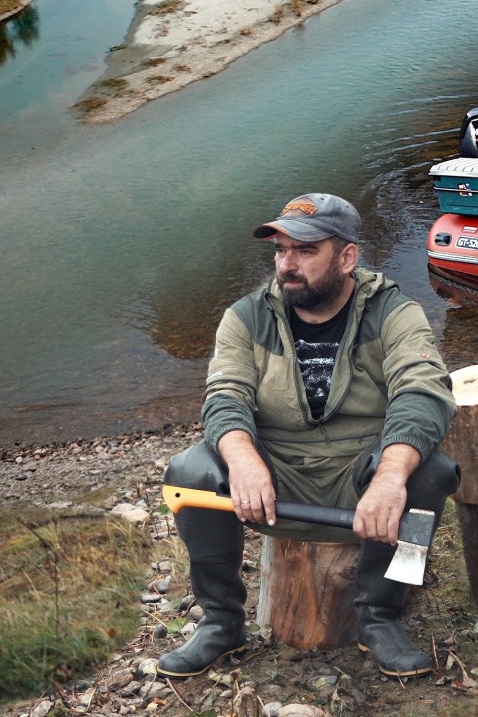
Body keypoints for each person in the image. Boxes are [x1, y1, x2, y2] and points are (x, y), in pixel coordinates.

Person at [157, 193, 459, 680]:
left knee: (432, 472)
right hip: (275, 480)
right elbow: (224, 396)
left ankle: (381, 614)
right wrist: (245, 461)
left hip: (361, 476)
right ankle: (221, 622)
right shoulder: (245, 317)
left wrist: (389, 479)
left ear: (347, 257)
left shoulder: (395, 313)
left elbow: (422, 392)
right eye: (280, 251)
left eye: (305, 250)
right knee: (190, 471)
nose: (287, 265)